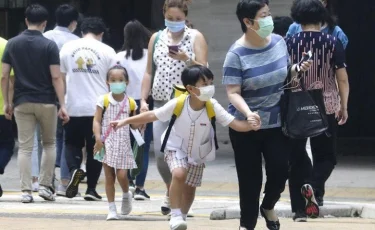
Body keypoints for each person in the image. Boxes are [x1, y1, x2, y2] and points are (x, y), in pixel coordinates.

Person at [111, 65, 258, 230]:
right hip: (175, 147)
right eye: (204, 84)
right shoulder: (178, 103)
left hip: (198, 153)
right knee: (179, 174)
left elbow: (234, 123)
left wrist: (251, 124)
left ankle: (182, 217)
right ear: (190, 88)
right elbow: (153, 115)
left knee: (190, 189)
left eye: (211, 82)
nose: (210, 87)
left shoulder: (212, 105)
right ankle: (174, 216)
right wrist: (124, 121)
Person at [222, 1, 311, 229]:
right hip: (246, 125)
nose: (269, 19)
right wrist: (248, 113)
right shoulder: (236, 54)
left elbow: (286, 74)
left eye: (269, 14)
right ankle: (247, 224)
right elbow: (232, 92)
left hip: (277, 123)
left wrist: (297, 70)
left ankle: (268, 205)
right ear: (248, 22)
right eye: (264, 15)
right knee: (250, 179)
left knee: (280, 170)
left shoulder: (280, 42)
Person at [140, 0, 208, 215]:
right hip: (161, 102)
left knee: (184, 154)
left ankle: (177, 199)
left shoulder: (195, 36)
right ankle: (172, 190)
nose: (174, 22)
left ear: (185, 17)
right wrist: (143, 100)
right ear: (164, 15)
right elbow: (149, 71)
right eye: (170, 18)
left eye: (178, 19)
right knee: (160, 153)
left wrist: (187, 58)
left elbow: (204, 71)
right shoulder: (156, 38)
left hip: (187, 103)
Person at [287, 0, 349, 221]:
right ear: (322, 17)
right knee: (326, 157)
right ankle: (312, 186)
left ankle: (299, 211)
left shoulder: (289, 42)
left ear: (297, 18)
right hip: (326, 105)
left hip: (296, 107)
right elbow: (341, 78)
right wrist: (344, 106)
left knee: (296, 158)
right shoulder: (333, 42)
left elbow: (284, 75)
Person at [1, 4, 69, 203]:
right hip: (47, 101)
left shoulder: (12, 44)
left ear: (26, 20)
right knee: (49, 144)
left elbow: (4, 76)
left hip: (22, 102)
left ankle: (26, 191)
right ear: (45, 23)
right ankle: (46, 187)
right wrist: (62, 104)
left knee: (25, 147)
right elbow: (56, 77)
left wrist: (7, 102)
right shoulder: (49, 45)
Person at [60, 17, 117, 200]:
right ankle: (91, 189)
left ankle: (75, 169)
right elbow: (114, 80)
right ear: (101, 33)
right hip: (98, 108)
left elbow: (60, 78)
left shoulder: (68, 48)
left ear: (82, 31)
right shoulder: (108, 51)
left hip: (73, 105)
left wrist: (61, 104)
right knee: (96, 148)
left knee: (71, 143)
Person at [44, 3, 80, 197]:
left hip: (46, 94)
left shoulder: (45, 37)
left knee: (48, 139)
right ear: (74, 22)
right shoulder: (76, 41)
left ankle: (47, 179)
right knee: (67, 139)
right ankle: (64, 183)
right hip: (68, 95)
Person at [115, 20, 152, 200]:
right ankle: (140, 187)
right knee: (142, 146)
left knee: (127, 144)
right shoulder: (149, 56)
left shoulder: (119, 57)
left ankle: (127, 181)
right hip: (145, 104)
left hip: (125, 104)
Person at [93, 66, 136, 220]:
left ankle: (126, 194)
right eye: (113, 80)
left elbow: (135, 125)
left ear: (127, 82)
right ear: (107, 82)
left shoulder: (130, 103)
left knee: (122, 175)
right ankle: (112, 209)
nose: (117, 83)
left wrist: (142, 116)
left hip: (123, 143)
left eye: (120, 80)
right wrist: (98, 138)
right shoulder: (103, 100)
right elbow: (97, 120)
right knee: (109, 176)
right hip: (107, 142)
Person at [0, 37, 15, 198]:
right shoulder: (5, 44)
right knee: (6, 144)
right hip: (0, 107)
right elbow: (8, 79)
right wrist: (9, 103)